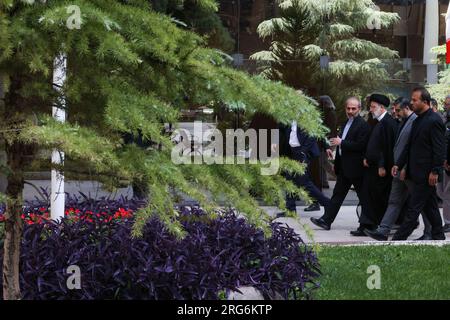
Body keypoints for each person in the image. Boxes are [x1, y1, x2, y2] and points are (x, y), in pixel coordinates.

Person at [392, 87, 446, 241]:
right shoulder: (417, 119)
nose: (411, 102)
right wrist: (399, 163)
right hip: (416, 172)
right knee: (430, 207)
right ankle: (438, 235)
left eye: (415, 100)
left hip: (426, 174)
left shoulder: (434, 120)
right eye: (412, 99)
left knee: (413, 209)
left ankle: (398, 239)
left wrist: (435, 171)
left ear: (425, 102)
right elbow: (410, 145)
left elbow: (439, 149)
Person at [310, 97, 370, 230]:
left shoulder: (363, 125)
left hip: (356, 168)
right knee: (337, 195)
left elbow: (361, 145)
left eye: (353, 108)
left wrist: (341, 143)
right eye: (348, 108)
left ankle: (366, 225)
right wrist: (335, 151)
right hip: (344, 167)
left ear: (359, 109)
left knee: (364, 198)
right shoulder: (345, 123)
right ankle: (326, 221)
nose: (350, 111)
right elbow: (341, 142)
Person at [364, 99, 417, 240]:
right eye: (394, 109)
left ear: (406, 108)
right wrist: (397, 165)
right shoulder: (401, 121)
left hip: (409, 171)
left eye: (397, 109)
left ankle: (433, 231)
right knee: (394, 201)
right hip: (398, 169)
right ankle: (383, 231)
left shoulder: (415, 122)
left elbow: (412, 148)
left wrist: (404, 166)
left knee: (422, 203)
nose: (394, 112)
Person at [351, 94, 398, 236]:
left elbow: (387, 148)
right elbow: (374, 144)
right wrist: (367, 157)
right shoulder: (377, 122)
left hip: (380, 170)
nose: (371, 110)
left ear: (382, 107)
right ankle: (366, 225)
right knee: (367, 196)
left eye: (373, 107)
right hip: (372, 167)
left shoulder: (389, 123)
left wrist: (381, 165)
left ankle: (374, 225)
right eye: (370, 107)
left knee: (376, 198)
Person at [277, 121, 331, 217]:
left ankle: (327, 203)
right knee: (290, 180)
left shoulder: (305, 116)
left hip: (303, 152)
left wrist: (303, 154)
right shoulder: (289, 117)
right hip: (293, 152)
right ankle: (290, 210)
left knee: (304, 182)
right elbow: (282, 127)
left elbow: (312, 136)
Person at [436, 122, 450, 233]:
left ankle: (448, 222)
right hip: (442, 162)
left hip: (447, 164)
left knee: (447, 194)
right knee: (441, 192)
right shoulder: (445, 123)